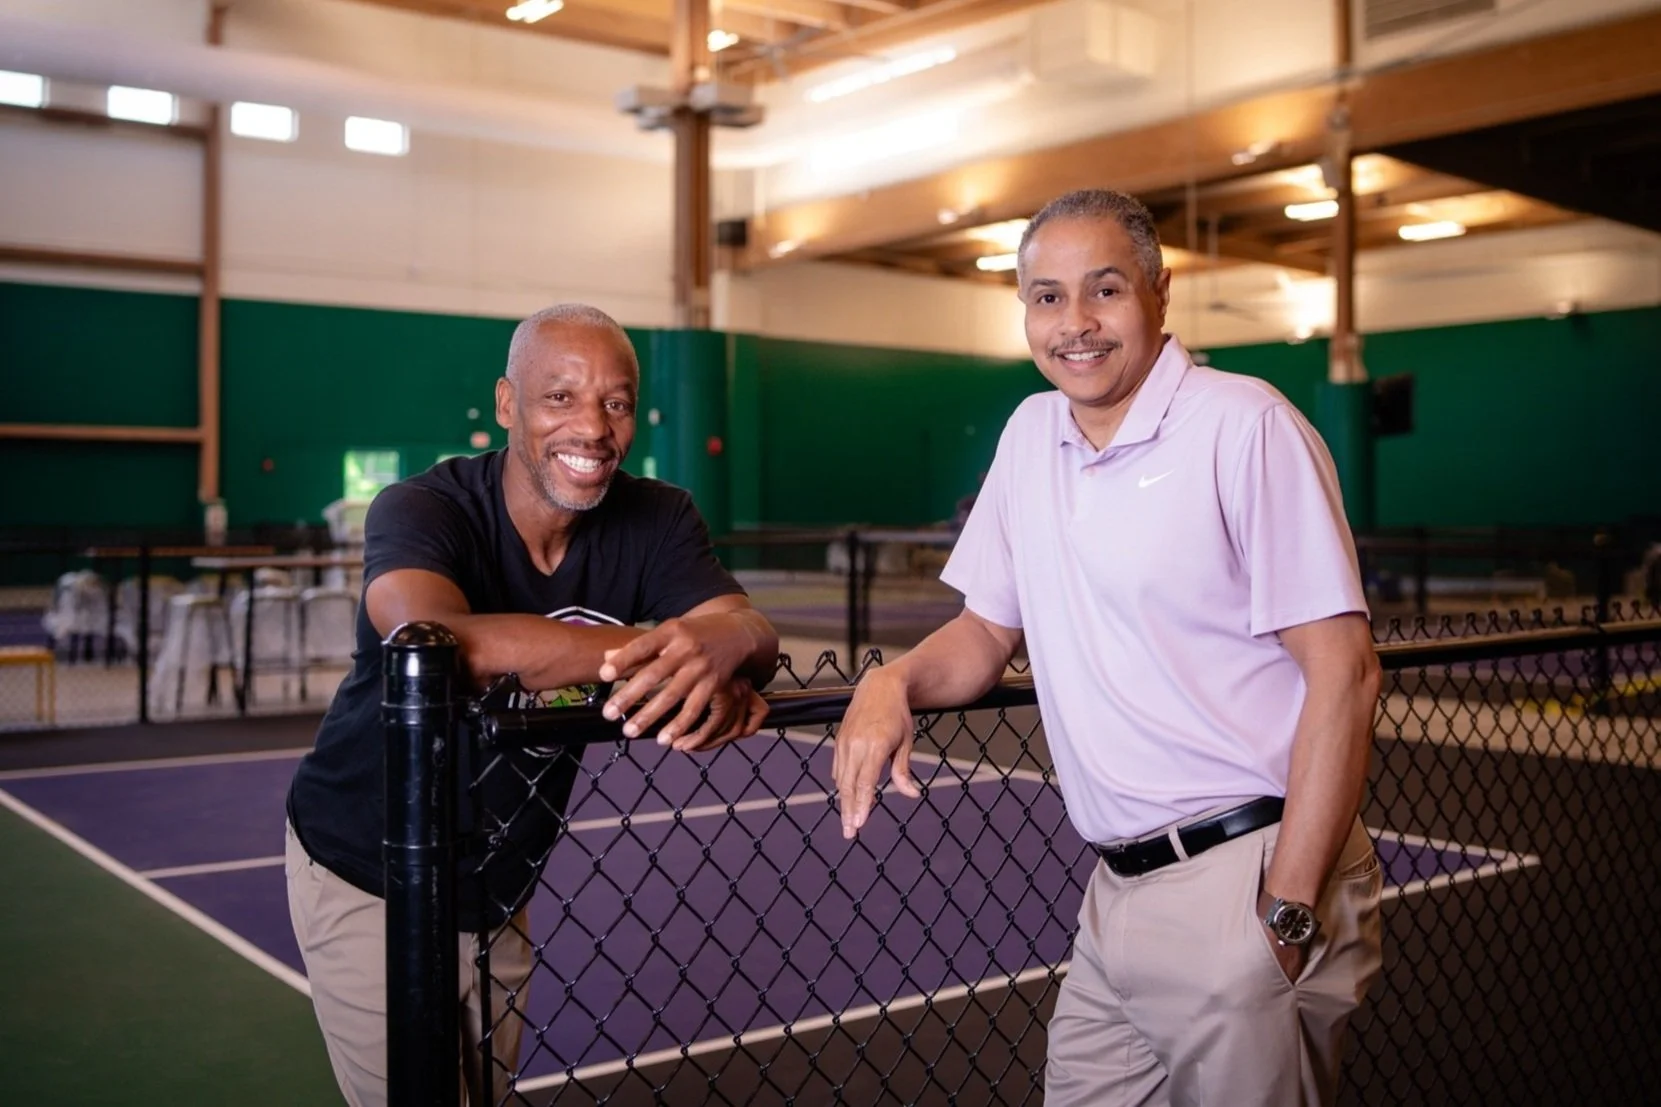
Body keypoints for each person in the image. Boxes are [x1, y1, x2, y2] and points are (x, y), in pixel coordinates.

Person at [831, 189, 1383, 1106]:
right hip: (1113, 892)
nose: (1074, 324)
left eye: (1103, 291)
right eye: (1046, 297)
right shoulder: (1028, 434)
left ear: (1159, 294)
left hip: (1246, 873)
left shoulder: (1244, 425)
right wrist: (890, 679)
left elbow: (1346, 673)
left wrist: (1282, 912)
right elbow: (983, 633)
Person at [284, 303, 780, 1107]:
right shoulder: (422, 507)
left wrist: (718, 648)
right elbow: (432, 639)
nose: (591, 427)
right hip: (365, 860)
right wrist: (667, 653)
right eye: (560, 398)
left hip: (497, 878)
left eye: (615, 402)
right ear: (508, 403)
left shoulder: (658, 515)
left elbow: (749, 631)